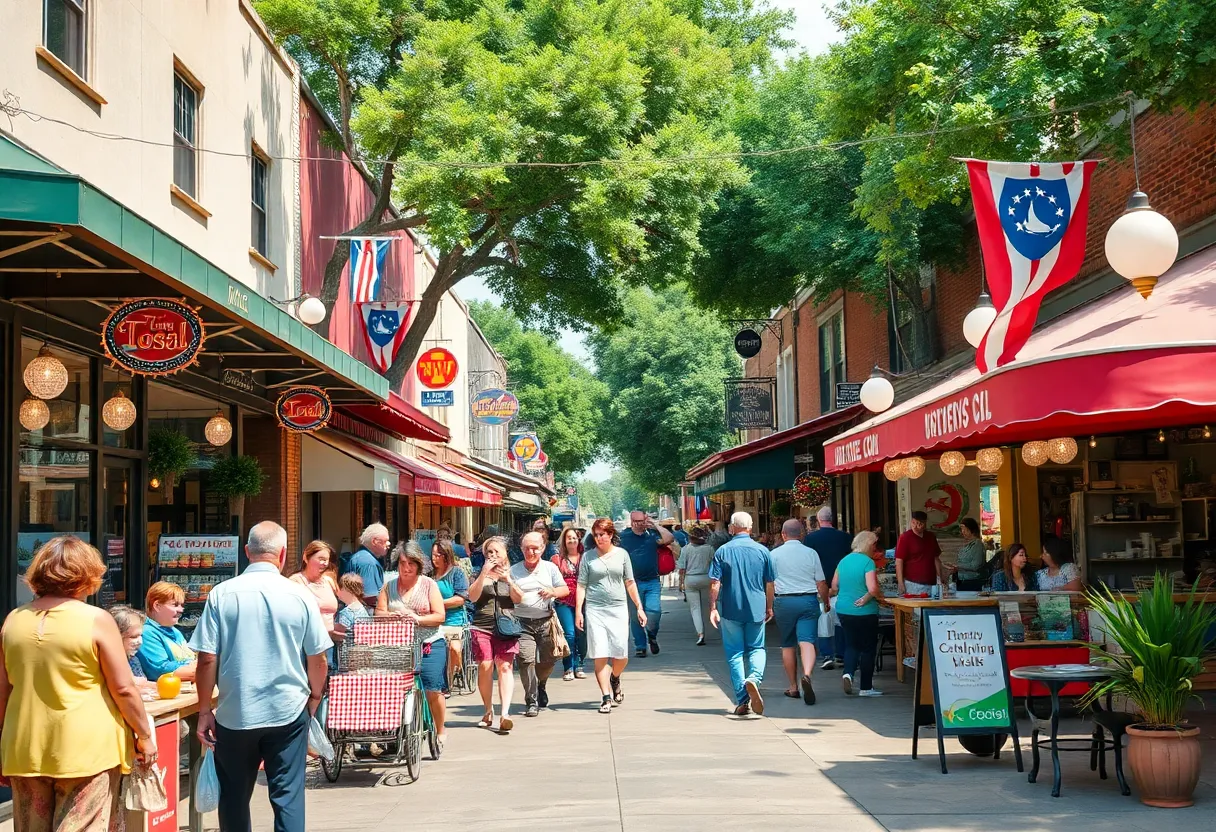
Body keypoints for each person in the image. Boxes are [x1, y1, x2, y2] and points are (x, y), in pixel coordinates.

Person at [0, 538, 155, 832]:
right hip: (87, 749)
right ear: (87, 574)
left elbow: (3, 691)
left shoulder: (13, 621)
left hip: (24, 747)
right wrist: (144, 734)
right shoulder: (96, 619)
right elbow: (123, 688)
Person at [191, 521, 330, 832]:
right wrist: (315, 697)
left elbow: (206, 658)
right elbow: (317, 658)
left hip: (235, 711)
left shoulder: (221, 594)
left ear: (246, 552)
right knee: (288, 796)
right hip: (288, 709)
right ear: (282, 554)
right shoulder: (300, 595)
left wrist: (203, 711)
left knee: (234, 798)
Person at [377, 541, 449, 748]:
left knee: (431, 687)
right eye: (402, 563)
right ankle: (395, 729)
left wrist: (416, 618)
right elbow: (378, 613)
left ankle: (440, 728)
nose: (406, 568)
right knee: (393, 688)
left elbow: (439, 615)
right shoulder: (389, 586)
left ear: (418, 565)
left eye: (411, 563)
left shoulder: (428, 585)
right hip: (398, 645)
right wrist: (393, 616)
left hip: (429, 642)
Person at [577, 518, 648, 714]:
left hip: (617, 608)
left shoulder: (622, 555)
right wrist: (578, 612)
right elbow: (581, 585)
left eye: (603, 534)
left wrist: (639, 607)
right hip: (595, 609)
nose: (599, 538)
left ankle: (615, 677)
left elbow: (630, 582)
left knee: (621, 654)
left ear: (610, 535)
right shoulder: (588, 557)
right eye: (596, 535)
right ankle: (606, 697)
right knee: (600, 653)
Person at [709, 512, 775, 717]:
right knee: (757, 647)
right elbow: (770, 583)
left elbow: (715, 582)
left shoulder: (723, 551)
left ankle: (742, 700)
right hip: (756, 606)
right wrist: (769, 606)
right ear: (750, 526)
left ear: (732, 527)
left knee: (735, 653)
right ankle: (754, 678)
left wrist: (712, 607)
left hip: (730, 607)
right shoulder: (763, 551)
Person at [769, 518, 830, 705]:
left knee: (788, 644)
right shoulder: (811, 553)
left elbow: (770, 583)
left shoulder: (774, 554)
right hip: (808, 600)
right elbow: (821, 582)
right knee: (807, 641)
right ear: (802, 534)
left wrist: (768, 606)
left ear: (783, 534)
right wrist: (826, 601)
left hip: (784, 601)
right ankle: (807, 674)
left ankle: (793, 687)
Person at [510, 532, 568, 717]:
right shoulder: (514, 570)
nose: (531, 551)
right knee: (526, 661)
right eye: (527, 548)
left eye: (535, 548)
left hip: (546, 621)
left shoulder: (550, 568)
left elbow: (564, 589)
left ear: (542, 548)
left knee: (549, 660)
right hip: (521, 623)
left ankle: (541, 683)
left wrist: (552, 591)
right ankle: (531, 700)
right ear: (521, 549)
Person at [468, 537, 522, 733]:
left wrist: (508, 580)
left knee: (505, 667)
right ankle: (487, 710)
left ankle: (505, 714)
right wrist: (484, 573)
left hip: (507, 626)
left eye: (496, 551)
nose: (493, 555)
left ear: (505, 553)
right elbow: (472, 597)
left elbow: (518, 599)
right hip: (482, 626)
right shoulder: (479, 573)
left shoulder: (512, 572)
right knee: (485, 665)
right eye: (489, 552)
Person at [834, 531, 886, 697]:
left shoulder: (843, 561)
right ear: (869, 545)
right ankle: (866, 687)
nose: (875, 549)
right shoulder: (868, 562)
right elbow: (872, 589)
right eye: (874, 545)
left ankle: (848, 673)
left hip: (843, 609)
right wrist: (867, 597)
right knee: (868, 648)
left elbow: (834, 586)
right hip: (865, 612)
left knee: (851, 644)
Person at [618, 510, 674, 657]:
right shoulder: (623, 537)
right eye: (636, 521)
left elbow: (669, 538)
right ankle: (640, 646)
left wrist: (655, 525)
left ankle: (652, 635)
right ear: (631, 521)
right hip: (632, 583)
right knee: (635, 616)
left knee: (655, 612)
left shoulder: (651, 535)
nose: (639, 524)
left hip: (652, 581)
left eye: (641, 521)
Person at [804, 506, 852, 669]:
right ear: (833, 519)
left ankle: (826, 655)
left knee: (823, 620)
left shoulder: (811, 539)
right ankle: (841, 654)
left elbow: (808, 564)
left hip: (819, 584)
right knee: (840, 620)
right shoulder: (846, 538)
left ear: (819, 520)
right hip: (842, 584)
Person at [431, 539, 470, 696]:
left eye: (438, 555)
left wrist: (438, 603)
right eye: (433, 555)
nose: (434, 558)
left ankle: (452, 676)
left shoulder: (456, 573)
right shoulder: (430, 575)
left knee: (454, 648)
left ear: (446, 555)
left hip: (454, 620)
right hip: (434, 620)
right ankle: (442, 681)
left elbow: (460, 598)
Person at [138, 580, 197, 681]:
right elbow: (161, 670)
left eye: (182, 605)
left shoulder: (175, 631)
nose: (181, 610)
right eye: (175, 605)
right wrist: (195, 666)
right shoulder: (146, 633)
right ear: (157, 606)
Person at [552, 527, 588, 680]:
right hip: (564, 600)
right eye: (569, 538)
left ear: (579, 539)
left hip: (584, 600)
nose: (572, 540)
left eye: (574, 537)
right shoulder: (556, 559)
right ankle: (568, 667)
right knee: (570, 634)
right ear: (564, 541)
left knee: (581, 634)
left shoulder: (586, 557)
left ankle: (579, 663)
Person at [677, 526, 715, 646]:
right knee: (706, 607)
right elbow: (714, 564)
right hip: (706, 577)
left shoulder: (685, 549)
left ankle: (700, 633)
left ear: (690, 537)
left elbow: (682, 568)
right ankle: (710, 629)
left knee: (695, 608)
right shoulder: (709, 548)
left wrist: (681, 583)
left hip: (691, 579)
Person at [289, 540, 340, 630]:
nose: (324, 563)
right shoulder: (296, 581)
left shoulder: (329, 581)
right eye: (321, 559)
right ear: (306, 557)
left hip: (330, 640)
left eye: (326, 560)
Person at [895, 510, 946, 596]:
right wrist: (900, 583)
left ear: (925, 524)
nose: (915, 526)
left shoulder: (931, 536)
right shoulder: (905, 537)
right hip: (912, 583)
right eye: (913, 523)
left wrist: (940, 578)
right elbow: (899, 561)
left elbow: (936, 558)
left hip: (931, 583)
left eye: (919, 523)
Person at [340, 523, 388, 606]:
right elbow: (369, 598)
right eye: (386, 541)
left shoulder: (361, 557)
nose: (388, 544)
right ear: (374, 541)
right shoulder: (368, 563)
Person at [109, 603, 152, 684]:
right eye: (133, 637)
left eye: (140, 635)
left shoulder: (133, 660)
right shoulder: (106, 663)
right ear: (116, 636)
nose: (140, 641)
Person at [953, 518, 986, 591]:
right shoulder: (966, 545)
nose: (963, 532)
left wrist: (958, 566)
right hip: (961, 580)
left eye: (965, 529)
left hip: (973, 581)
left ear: (971, 529)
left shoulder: (977, 544)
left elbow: (976, 565)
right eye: (962, 529)